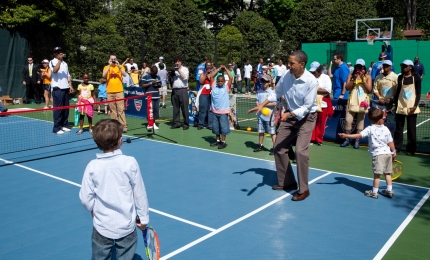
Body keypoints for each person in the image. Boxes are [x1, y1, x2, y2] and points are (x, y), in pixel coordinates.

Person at [252, 50, 318, 201]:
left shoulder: (311, 81)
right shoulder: (287, 76)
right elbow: (276, 93)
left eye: (292, 63)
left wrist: (289, 114)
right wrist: (261, 105)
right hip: (290, 115)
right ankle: (288, 182)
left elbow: (307, 107)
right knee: (279, 149)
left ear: (302, 64)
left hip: (306, 117)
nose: (289, 66)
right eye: (289, 62)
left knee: (301, 152)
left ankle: (304, 189)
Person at [79, 119, 149, 260]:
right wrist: (143, 218)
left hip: (101, 228)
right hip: (127, 228)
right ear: (120, 140)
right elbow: (139, 194)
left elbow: (85, 199)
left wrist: (93, 210)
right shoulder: (130, 163)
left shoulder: (92, 166)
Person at [339, 109, 396, 199]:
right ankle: (389, 190)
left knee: (377, 175)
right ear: (381, 119)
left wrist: (346, 136)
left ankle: (374, 192)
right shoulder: (386, 129)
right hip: (388, 154)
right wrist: (394, 151)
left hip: (378, 155)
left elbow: (359, 135)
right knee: (387, 173)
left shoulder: (370, 129)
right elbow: (391, 142)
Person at [340, 59, 372, 149]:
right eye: (357, 66)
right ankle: (346, 139)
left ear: (363, 67)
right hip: (352, 101)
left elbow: (369, 90)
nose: (358, 68)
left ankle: (357, 141)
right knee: (347, 120)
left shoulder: (368, 76)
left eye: (360, 66)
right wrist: (353, 79)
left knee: (360, 122)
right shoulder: (351, 75)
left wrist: (363, 79)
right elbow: (347, 87)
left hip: (362, 102)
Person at [393, 60, 421, 156]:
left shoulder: (416, 78)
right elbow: (398, 92)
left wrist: (415, 105)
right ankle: (397, 147)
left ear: (410, 67)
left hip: (411, 107)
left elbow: (418, 93)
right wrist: (395, 104)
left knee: (411, 129)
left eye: (405, 66)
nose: (403, 67)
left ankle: (411, 149)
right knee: (399, 128)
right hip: (401, 106)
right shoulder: (400, 77)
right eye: (402, 66)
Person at [248, 74, 276, 155]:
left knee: (272, 133)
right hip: (260, 116)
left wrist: (263, 104)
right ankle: (260, 145)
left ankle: (275, 147)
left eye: (265, 81)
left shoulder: (272, 92)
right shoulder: (259, 91)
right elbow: (257, 101)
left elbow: (274, 104)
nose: (264, 83)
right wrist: (258, 105)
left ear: (269, 83)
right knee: (261, 132)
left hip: (270, 117)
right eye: (262, 81)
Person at [50, 47, 74, 134]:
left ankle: (64, 125)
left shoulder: (65, 64)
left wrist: (70, 85)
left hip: (65, 88)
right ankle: (57, 128)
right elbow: (55, 71)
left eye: (61, 52)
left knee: (66, 108)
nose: (60, 53)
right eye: (58, 52)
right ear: (55, 54)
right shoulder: (52, 62)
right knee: (58, 109)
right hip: (57, 88)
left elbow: (68, 75)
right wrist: (59, 61)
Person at [208, 65, 233, 149]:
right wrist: (218, 69)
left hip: (223, 112)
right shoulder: (214, 86)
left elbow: (231, 78)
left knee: (223, 127)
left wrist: (225, 69)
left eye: (221, 81)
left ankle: (223, 142)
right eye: (218, 81)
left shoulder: (226, 87)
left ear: (224, 81)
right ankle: (217, 140)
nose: (220, 82)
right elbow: (211, 76)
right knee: (216, 127)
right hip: (214, 111)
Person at [102, 53, 128, 132]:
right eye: (112, 59)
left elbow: (125, 74)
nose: (113, 60)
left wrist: (119, 66)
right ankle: (114, 126)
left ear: (116, 59)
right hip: (110, 91)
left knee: (121, 109)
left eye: (114, 59)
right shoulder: (106, 67)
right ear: (109, 60)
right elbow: (103, 75)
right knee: (113, 110)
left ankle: (124, 126)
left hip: (119, 91)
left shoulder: (120, 67)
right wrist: (109, 65)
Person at [309, 61, 333, 146]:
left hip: (323, 104)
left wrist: (314, 89)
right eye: (311, 71)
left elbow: (327, 90)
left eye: (314, 71)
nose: (313, 73)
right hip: (311, 103)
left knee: (321, 123)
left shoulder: (326, 77)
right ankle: (311, 139)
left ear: (319, 70)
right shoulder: (310, 77)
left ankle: (319, 140)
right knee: (311, 122)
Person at [169, 56, 190, 130]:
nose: (177, 63)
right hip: (175, 90)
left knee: (184, 108)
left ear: (181, 62)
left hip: (183, 90)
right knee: (175, 108)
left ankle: (186, 123)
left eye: (178, 61)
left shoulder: (185, 69)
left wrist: (178, 70)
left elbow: (185, 78)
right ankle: (176, 123)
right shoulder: (173, 70)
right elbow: (170, 78)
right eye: (176, 62)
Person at [140, 65, 162, 130]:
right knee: (150, 111)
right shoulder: (146, 77)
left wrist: (159, 84)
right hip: (149, 97)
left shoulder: (157, 76)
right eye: (154, 73)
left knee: (155, 110)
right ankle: (149, 124)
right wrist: (151, 83)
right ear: (151, 71)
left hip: (156, 96)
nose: (155, 74)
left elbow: (160, 85)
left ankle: (154, 123)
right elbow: (142, 85)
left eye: (156, 73)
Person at [197, 62, 215, 130]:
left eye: (210, 65)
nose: (209, 67)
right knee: (202, 109)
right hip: (204, 93)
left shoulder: (213, 74)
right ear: (205, 67)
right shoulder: (202, 74)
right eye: (207, 66)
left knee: (210, 110)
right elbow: (201, 82)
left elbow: (213, 82)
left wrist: (211, 75)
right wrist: (206, 74)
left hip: (211, 93)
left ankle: (210, 125)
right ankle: (200, 124)